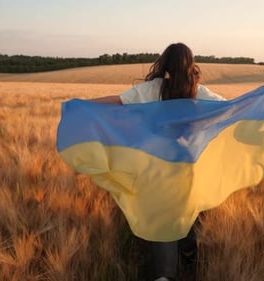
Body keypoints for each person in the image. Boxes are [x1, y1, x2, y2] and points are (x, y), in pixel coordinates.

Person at [89, 42, 225, 281]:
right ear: (190, 64)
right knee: (188, 210)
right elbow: (229, 107)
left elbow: (118, 101)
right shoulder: (198, 90)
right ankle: (190, 259)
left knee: (164, 216)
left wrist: (82, 104)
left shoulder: (152, 89)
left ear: (165, 63)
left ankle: (164, 275)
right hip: (189, 166)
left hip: (155, 166)